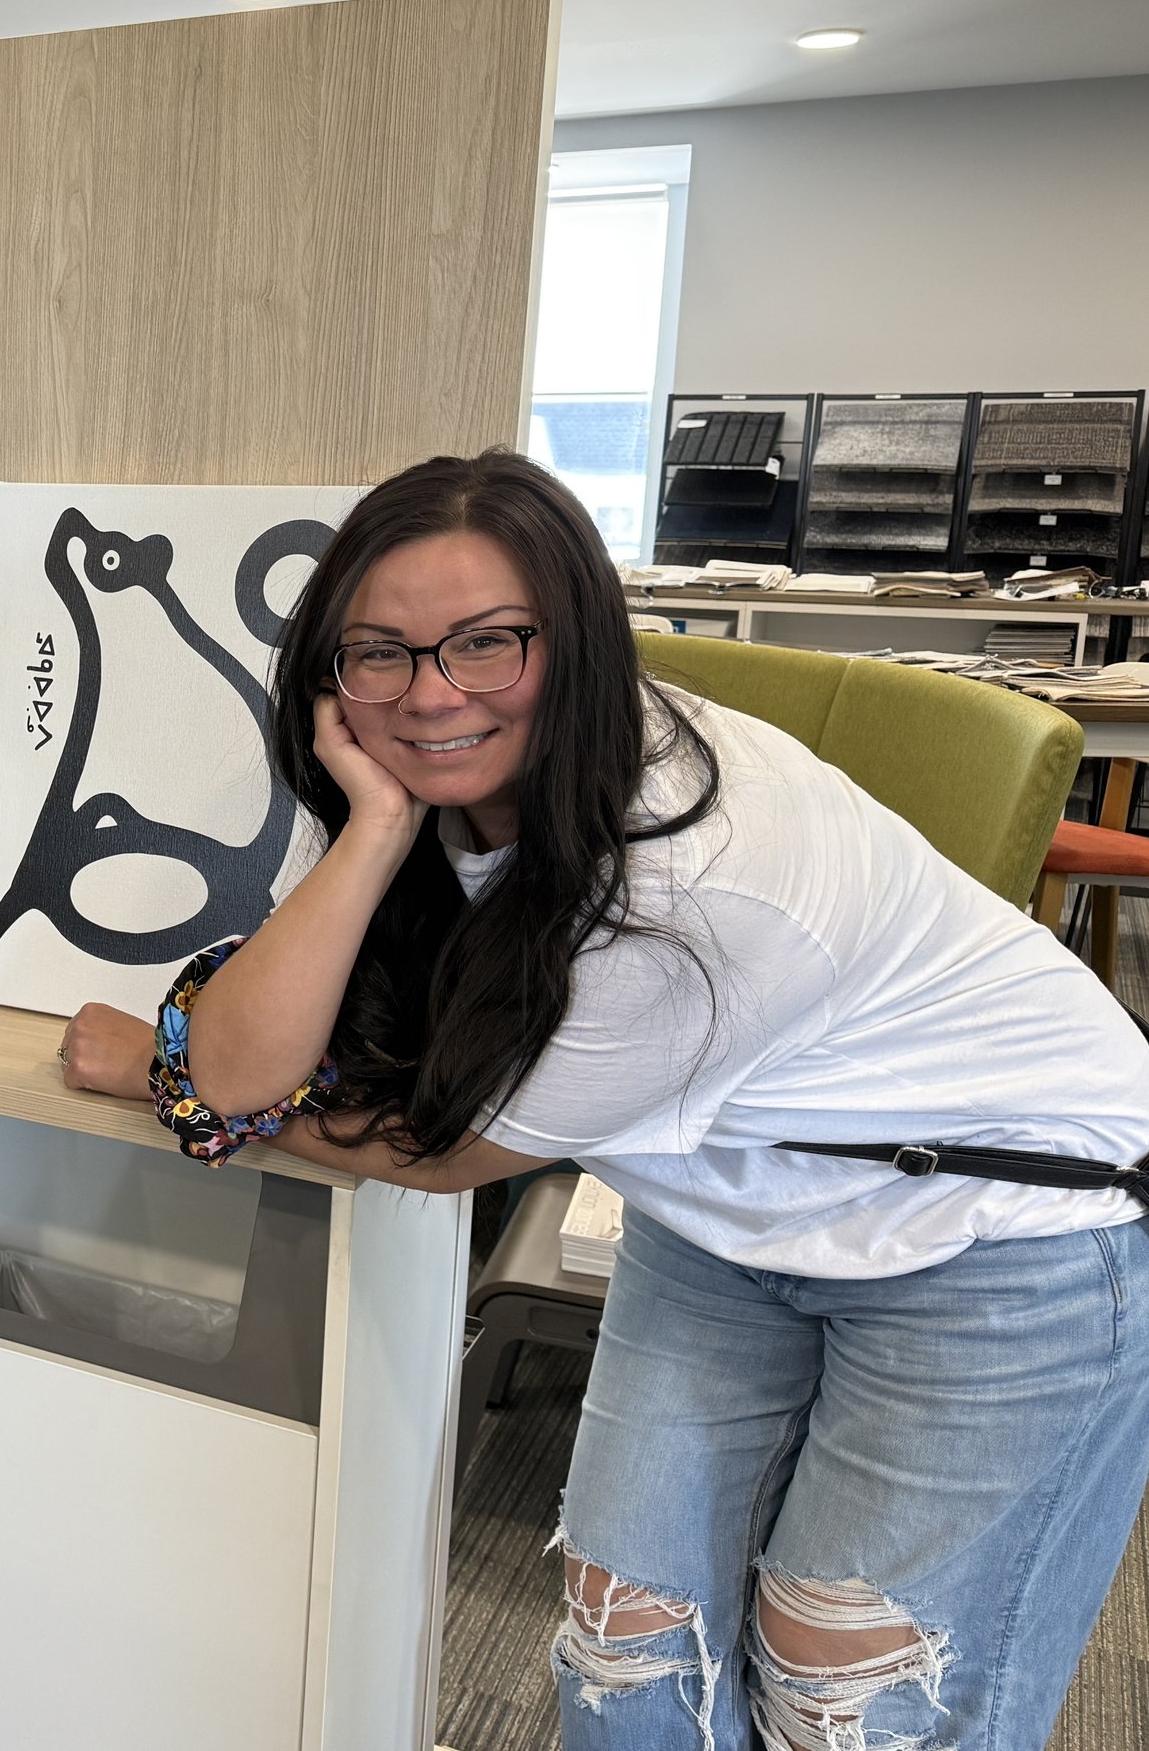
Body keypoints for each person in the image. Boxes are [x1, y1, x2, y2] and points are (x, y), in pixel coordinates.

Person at [66, 449, 1149, 1749]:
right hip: (728, 1209)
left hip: (998, 1223)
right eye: (382, 652)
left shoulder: (691, 882)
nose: (429, 693)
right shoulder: (405, 766)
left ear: (572, 639)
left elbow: (432, 1146)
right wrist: (369, 832)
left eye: (487, 644)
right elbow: (249, 1071)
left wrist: (156, 1069)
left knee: (847, 1696)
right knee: (626, 1647)